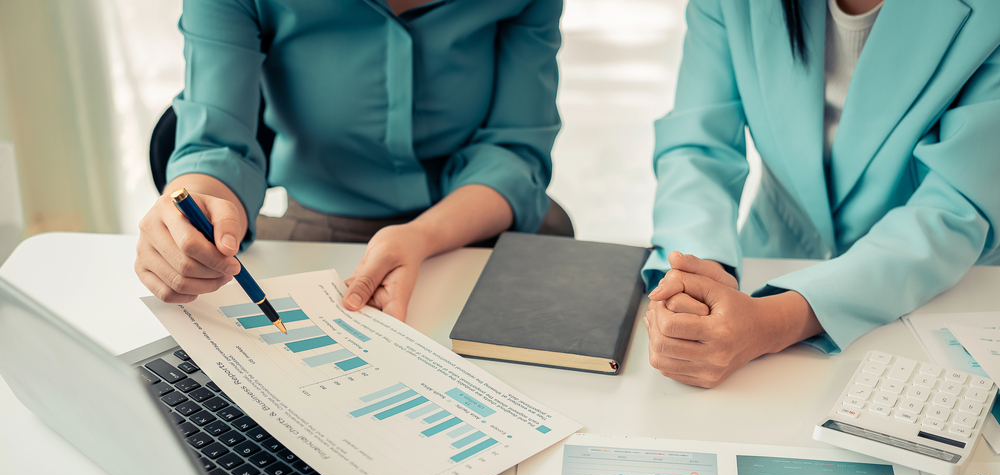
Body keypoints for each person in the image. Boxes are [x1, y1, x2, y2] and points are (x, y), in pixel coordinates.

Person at [643, 0, 1000, 388]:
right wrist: (698, 280)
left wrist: (772, 321)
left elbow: (955, 206)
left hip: (936, 296)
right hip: (768, 266)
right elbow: (699, 149)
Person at [135, 0, 563, 321]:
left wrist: (423, 236)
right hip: (321, 220)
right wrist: (190, 216)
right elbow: (215, 143)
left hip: (473, 220)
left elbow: (515, 149)